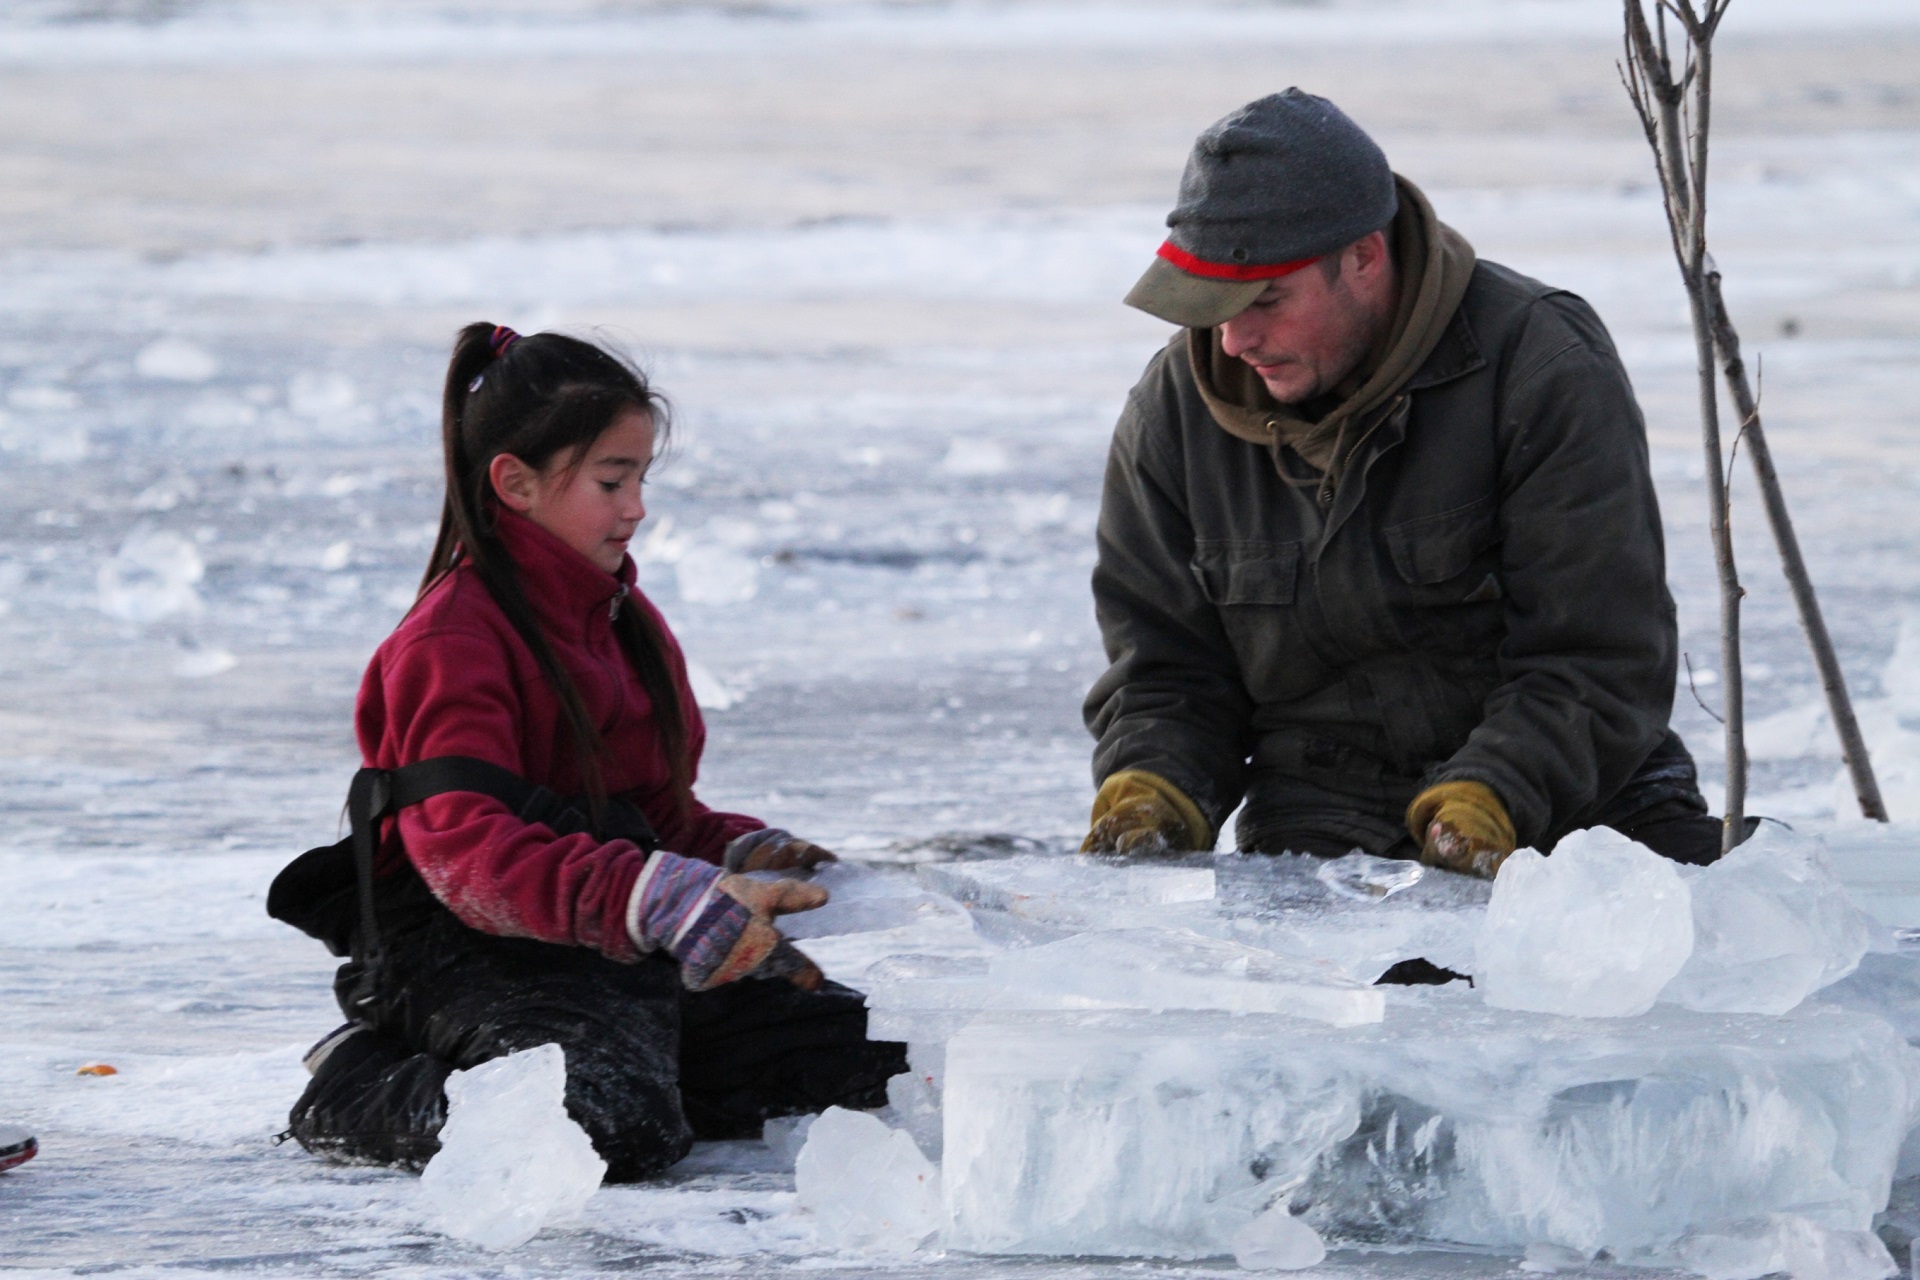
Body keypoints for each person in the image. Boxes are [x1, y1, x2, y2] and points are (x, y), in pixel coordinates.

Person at [278, 323, 906, 1179]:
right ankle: (359, 1076)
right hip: (457, 940)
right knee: (605, 1126)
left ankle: (636, 1050)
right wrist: (662, 900)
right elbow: (467, 855)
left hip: (597, 926)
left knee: (852, 1065)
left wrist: (737, 856)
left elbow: (656, 816)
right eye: (613, 480)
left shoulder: (625, 623)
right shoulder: (452, 640)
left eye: (641, 477)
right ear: (516, 483)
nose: (637, 506)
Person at [1081, 90, 1732, 877]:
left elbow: (1599, 653)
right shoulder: (1173, 414)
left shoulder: (1540, 365)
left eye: (1266, 299)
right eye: (1213, 304)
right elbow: (1167, 670)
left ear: (1363, 255)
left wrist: (1495, 792)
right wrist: (1153, 783)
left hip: (1584, 804)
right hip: (1322, 821)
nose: (1235, 338)